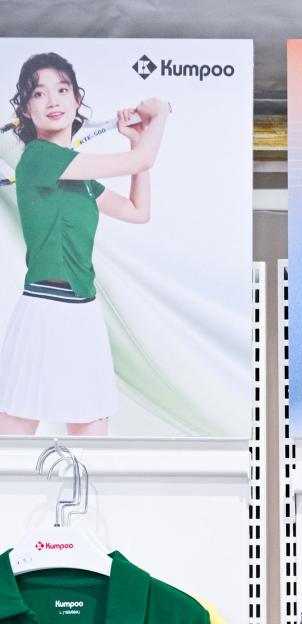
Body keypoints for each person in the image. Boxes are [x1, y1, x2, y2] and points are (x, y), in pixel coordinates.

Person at [0, 52, 168, 436]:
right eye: (39, 93)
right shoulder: (38, 159)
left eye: (62, 90)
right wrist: (159, 116)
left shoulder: (79, 173)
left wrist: (136, 141)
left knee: (92, 436)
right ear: (26, 110)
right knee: (13, 440)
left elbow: (138, 211)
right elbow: (143, 160)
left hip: (85, 313)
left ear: (77, 99)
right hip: (44, 310)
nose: (53, 100)